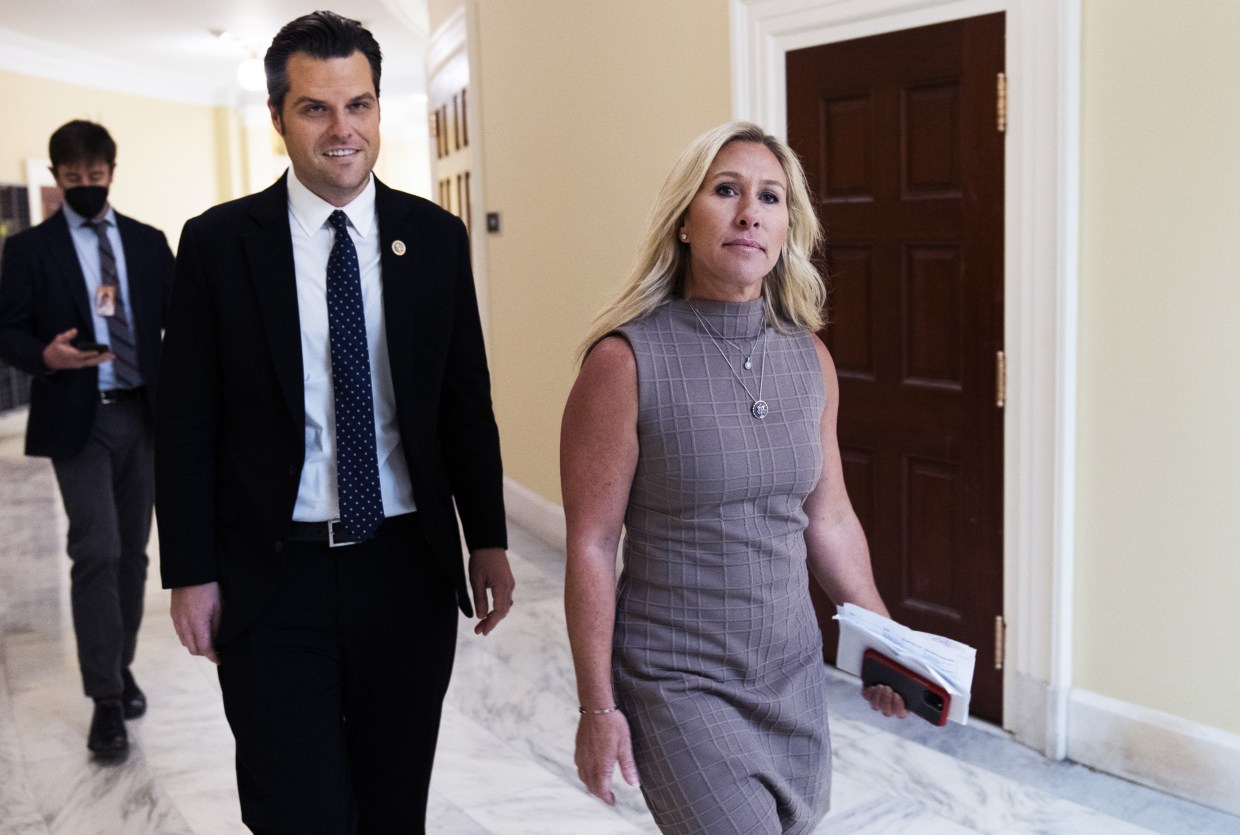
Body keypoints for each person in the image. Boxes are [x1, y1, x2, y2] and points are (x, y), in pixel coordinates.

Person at [155, 11, 514, 834]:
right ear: (280, 118)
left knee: (393, 808)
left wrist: (486, 536)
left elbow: (464, 400)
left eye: (359, 105)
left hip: (406, 569)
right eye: (317, 108)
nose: (342, 128)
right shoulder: (217, 245)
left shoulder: (433, 238)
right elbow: (185, 422)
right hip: (272, 575)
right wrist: (190, 569)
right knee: (299, 810)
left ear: (381, 110)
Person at [561, 121, 908, 835]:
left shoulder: (809, 358)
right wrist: (598, 708)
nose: (750, 211)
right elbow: (592, 544)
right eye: (726, 190)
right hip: (679, 681)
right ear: (685, 220)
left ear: (788, 228)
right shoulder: (624, 363)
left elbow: (830, 516)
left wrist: (884, 640)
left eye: (770, 197)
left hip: (791, 674)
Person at [0, 120, 173, 757]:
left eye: (94, 177)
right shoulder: (29, 250)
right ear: (55, 178)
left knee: (132, 556)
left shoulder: (150, 244)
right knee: (95, 549)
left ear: (110, 172)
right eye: (72, 179)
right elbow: (6, 331)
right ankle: (104, 699)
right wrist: (45, 354)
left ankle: (119, 664)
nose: (84, 187)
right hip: (79, 419)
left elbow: (181, 327)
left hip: (143, 417)